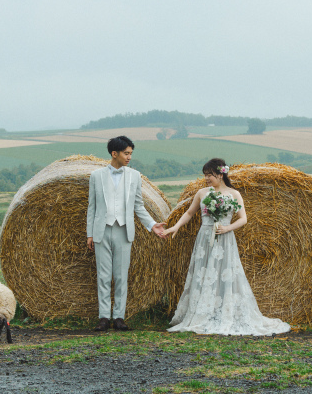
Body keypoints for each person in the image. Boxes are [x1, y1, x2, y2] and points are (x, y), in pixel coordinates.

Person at [162, 158, 290, 336]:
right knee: (204, 273)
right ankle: (202, 313)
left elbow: (243, 218)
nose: (207, 178)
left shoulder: (234, 194)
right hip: (205, 238)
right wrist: (175, 227)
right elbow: (190, 213)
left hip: (225, 238)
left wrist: (227, 227)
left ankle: (223, 312)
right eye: (205, 175)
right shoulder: (202, 193)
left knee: (224, 274)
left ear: (221, 174)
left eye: (210, 175)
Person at [86, 135, 166, 331]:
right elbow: (92, 207)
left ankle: (119, 317)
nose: (129, 157)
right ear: (115, 154)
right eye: (126, 153)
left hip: (124, 231)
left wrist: (152, 224)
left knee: (121, 275)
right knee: (103, 276)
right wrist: (90, 234)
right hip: (101, 231)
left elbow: (138, 206)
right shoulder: (96, 176)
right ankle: (104, 317)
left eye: (131, 153)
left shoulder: (135, 176)